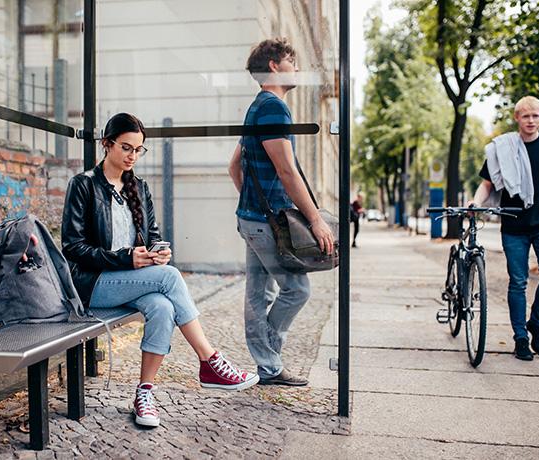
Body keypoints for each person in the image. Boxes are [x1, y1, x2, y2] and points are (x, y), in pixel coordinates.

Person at [61, 113, 258, 428]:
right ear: (106, 144)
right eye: (126, 148)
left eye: (139, 150)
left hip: (128, 282)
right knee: (170, 278)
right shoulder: (83, 185)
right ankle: (210, 360)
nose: (132, 156)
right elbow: (72, 248)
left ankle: (144, 394)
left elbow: (151, 235)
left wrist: (158, 252)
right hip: (92, 284)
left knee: (163, 306)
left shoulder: (138, 187)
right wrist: (126, 259)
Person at [228, 38, 335, 386]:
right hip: (264, 222)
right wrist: (316, 219)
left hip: (255, 219)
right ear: (274, 65)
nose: (297, 69)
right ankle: (269, 356)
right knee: (297, 290)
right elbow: (287, 171)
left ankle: (268, 366)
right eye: (293, 61)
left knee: (262, 294)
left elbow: (234, 167)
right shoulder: (272, 107)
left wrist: (252, 204)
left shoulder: (259, 107)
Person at [470, 96, 539, 361]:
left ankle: (536, 323)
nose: (530, 121)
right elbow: (488, 184)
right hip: (514, 225)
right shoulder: (504, 148)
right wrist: (475, 202)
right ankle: (520, 338)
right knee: (518, 282)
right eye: (525, 116)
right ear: (517, 118)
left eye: (535, 116)